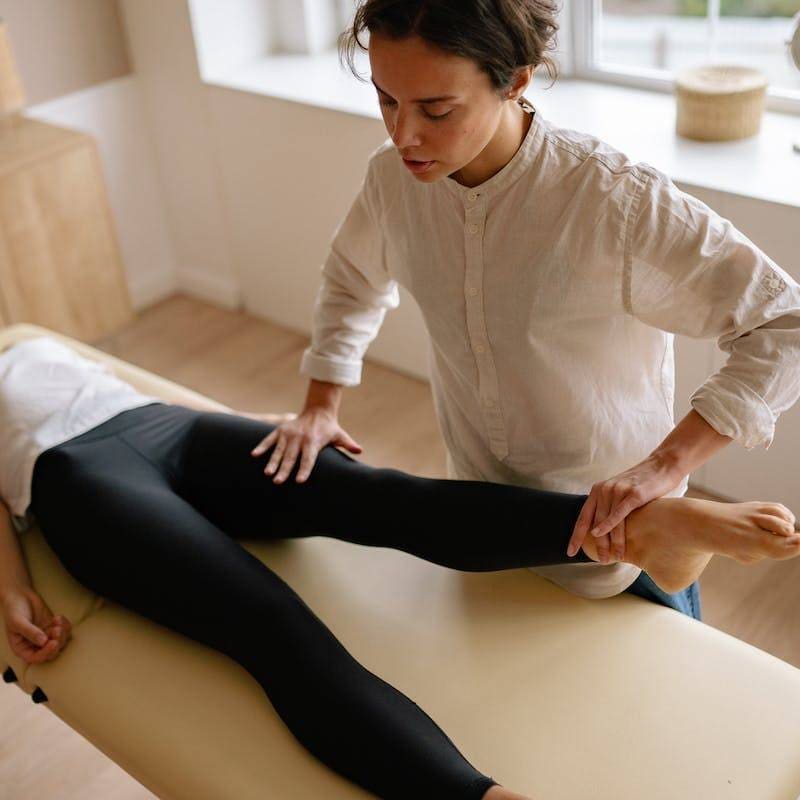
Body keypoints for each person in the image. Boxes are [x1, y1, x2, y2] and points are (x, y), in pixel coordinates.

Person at [2, 336, 798, 800]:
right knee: (265, 620)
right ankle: (476, 799)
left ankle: (634, 524)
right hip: (77, 476)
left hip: (171, 426)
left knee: (385, 496)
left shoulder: (33, 342)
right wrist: (9, 586)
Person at [254, 0, 800, 620]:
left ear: (516, 80)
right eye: (386, 100)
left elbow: (785, 323)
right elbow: (352, 278)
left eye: (436, 110)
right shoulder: (390, 180)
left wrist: (663, 465)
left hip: (624, 533)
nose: (404, 134)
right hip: (483, 518)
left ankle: (678, 528)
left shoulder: (612, 200)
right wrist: (320, 406)